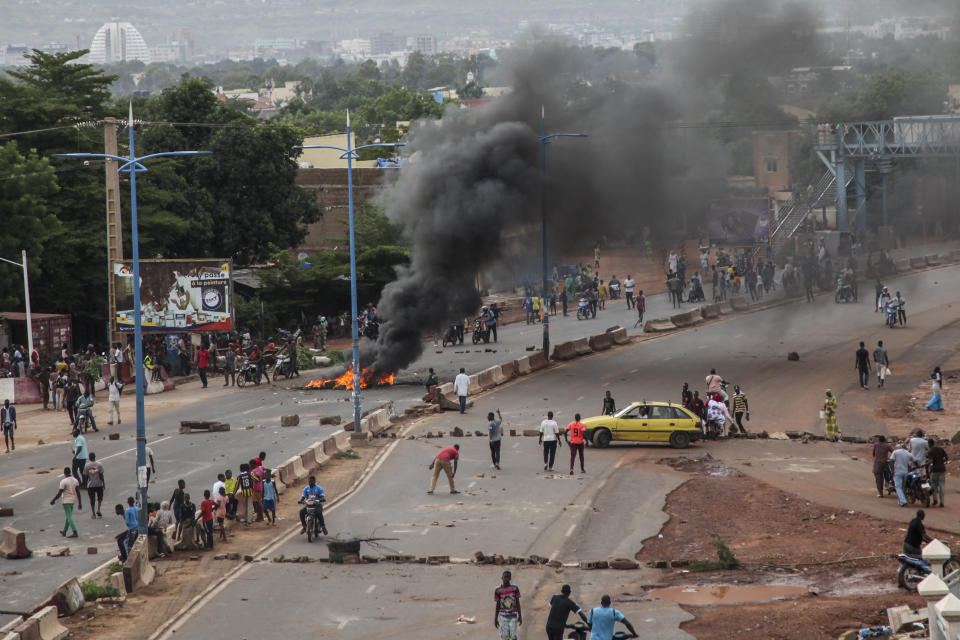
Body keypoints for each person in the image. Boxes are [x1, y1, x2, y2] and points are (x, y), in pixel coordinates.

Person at [50, 467, 81, 538]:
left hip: (66, 501)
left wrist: (53, 500)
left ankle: (75, 531)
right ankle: (64, 531)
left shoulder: (63, 481)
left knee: (69, 517)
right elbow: (78, 493)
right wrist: (80, 503)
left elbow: (59, 493)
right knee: (68, 516)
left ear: (64, 473)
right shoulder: (75, 480)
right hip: (72, 500)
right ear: (70, 472)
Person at [493, 570, 522, 640]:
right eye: (505, 577)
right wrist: (495, 618)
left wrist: (520, 616)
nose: (506, 579)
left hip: (513, 615)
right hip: (502, 616)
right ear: (501, 578)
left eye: (508, 577)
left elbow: (518, 602)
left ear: (510, 578)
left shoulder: (515, 588)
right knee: (504, 636)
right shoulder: (497, 589)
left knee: (513, 635)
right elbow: (497, 605)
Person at [83, 452, 105, 518]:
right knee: (100, 498)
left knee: (92, 499)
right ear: (95, 457)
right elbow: (101, 475)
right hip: (99, 484)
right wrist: (103, 483)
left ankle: (93, 513)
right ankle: (98, 509)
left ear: (89, 458)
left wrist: (85, 485)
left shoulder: (87, 466)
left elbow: (86, 476)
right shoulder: (99, 464)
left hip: (91, 485)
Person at [928, 439, 948, 508]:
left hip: (935, 470)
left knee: (934, 484)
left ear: (929, 444)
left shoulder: (930, 451)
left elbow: (930, 461)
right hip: (942, 469)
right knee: (942, 486)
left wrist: (930, 468)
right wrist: (942, 462)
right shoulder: (940, 449)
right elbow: (946, 458)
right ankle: (942, 502)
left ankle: (935, 500)